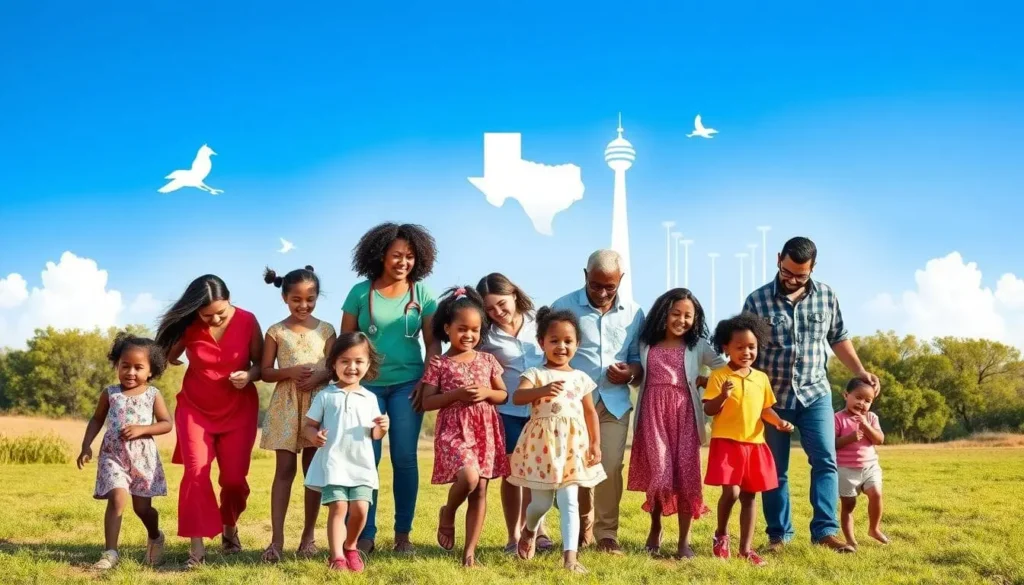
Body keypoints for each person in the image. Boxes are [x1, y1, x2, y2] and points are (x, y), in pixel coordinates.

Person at [743, 237, 879, 553]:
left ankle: (825, 532)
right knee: (775, 470)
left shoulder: (827, 296)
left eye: (800, 275)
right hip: (773, 397)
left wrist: (859, 372)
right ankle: (779, 536)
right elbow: (746, 350)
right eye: (786, 271)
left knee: (826, 461)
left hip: (814, 393)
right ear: (778, 259)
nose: (791, 279)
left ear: (812, 268)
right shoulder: (757, 301)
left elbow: (838, 338)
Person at [340, 222, 440, 554]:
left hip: (407, 386)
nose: (403, 262)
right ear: (381, 254)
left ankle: (403, 536)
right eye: (397, 255)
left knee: (404, 458)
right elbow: (346, 345)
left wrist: (426, 384)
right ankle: (365, 534)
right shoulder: (359, 293)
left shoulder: (422, 294)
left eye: (410, 256)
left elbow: (432, 345)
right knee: (367, 459)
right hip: (366, 390)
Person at [156, 274, 263, 568]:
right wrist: (169, 357)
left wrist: (248, 375)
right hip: (195, 409)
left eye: (221, 312)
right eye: (208, 315)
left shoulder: (249, 320)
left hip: (239, 409)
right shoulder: (189, 324)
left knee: (233, 481)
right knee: (195, 473)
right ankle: (197, 550)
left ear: (230, 302)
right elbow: (167, 355)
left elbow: (261, 366)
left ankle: (229, 527)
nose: (215, 319)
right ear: (195, 311)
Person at [551, 249, 644, 554]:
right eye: (595, 285)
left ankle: (607, 533)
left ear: (621, 281)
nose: (602, 293)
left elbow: (636, 361)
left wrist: (630, 371)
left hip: (614, 402)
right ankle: (581, 524)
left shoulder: (634, 313)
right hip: (573, 406)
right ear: (585, 276)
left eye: (610, 287)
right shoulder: (563, 307)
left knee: (611, 465)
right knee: (575, 468)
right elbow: (551, 356)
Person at [509, 307, 606, 574]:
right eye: (554, 341)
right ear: (542, 343)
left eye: (568, 341)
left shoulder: (581, 379)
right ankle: (529, 529)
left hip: (573, 449)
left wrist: (595, 444)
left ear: (577, 344)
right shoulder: (535, 374)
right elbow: (517, 398)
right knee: (539, 503)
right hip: (543, 448)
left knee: (569, 501)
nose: (561, 346)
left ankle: (570, 558)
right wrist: (540, 391)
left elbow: (590, 413)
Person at [628, 288, 723, 558]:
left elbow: (723, 368)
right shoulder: (646, 343)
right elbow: (636, 375)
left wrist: (707, 382)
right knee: (660, 473)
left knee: (686, 477)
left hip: (685, 416)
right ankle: (656, 526)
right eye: (676, 313)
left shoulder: (697, 346)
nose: (682, 320)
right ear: (663, 313)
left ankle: (684, 541)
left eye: (688, 316)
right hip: (653, 414)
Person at [420, 286, 510, 567]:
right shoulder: (439, 363)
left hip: (485, 430)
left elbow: (503, 395)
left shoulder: (488, 360)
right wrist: (455, 396)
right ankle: (448, 513)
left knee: (481, 490)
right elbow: (427, 402)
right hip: (454, 431)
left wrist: (485, 393)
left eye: (475, 330)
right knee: (469, 478)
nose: (469, 335)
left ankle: (469, 553)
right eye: (462, 329)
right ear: (447, 328)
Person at [702, 313, 795, 566]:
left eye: (751, 347)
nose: (746, 352)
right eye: (739, 347)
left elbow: (766, 409)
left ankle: (746, 549)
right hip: (726, 442)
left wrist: (779, 422)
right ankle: (721, 534)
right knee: (730, 492)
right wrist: (722, 396)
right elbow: (709, 409)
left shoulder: (761, 378)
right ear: (726, 348)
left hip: (754, 444)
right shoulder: (719, 376)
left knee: (749, 496)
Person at [259, 266, 337, 562]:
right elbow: (266, 372)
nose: (303, 305)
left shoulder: (327, 329)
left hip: (318, 405)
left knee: (313, 473)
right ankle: (276, 540)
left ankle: (308, 537)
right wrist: (289, 372)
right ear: (285, 298)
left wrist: (319, 377)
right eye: (296, 300)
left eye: (310, 299)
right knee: (284, 472)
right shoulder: (276, 331)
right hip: (285, 406)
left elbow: (334, 367)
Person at [77, 333, 172, 570]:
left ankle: (155, 535)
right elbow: (97, 419)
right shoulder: (110, 393)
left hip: (142, 457)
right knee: (117, 497)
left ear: (150, 371)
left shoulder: (152, 394)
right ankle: (110, 552)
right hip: (113, 455)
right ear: (117, 365)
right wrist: (86, 445)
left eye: (138, 367)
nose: (130, 372)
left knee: (143, 508)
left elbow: (166, 423)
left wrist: (143, 429)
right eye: (125, 366)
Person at [475, 272, 554, 554]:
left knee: (537, 473)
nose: (497, 313)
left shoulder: (541, 323)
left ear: (514, 296)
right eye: (490, 309)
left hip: (541, 411)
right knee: (512, 474)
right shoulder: (485, 336)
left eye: (501, 304)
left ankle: (538, 530)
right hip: (506, 412)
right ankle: (513, 536)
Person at [303, 333, 390, 573]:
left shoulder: (370, 398)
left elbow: (374, 435)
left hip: (361, 465)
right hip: (334, 464)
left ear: (368, 364)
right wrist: (313, 436)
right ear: (333, 364)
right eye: (344, 361)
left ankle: (351, 546)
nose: (352, 367)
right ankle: (337, 557)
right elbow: (308, 425)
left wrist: (382, 428)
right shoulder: (325, 395)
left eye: (358, 361)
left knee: (361, 509)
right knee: (339, 507)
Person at [835, 378, 888, 548]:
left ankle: (874, 528)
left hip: (869, 466)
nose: (862, 403)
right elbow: (832, 444)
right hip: (845, 469)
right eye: (858, 398)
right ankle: (850, 540)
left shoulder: (871, 418)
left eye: (867, 401)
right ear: (846, 395)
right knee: (849, 505)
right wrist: (849, 438)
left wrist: (866, 426)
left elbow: (879, 439)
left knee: (877, 494)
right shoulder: (838, 418)